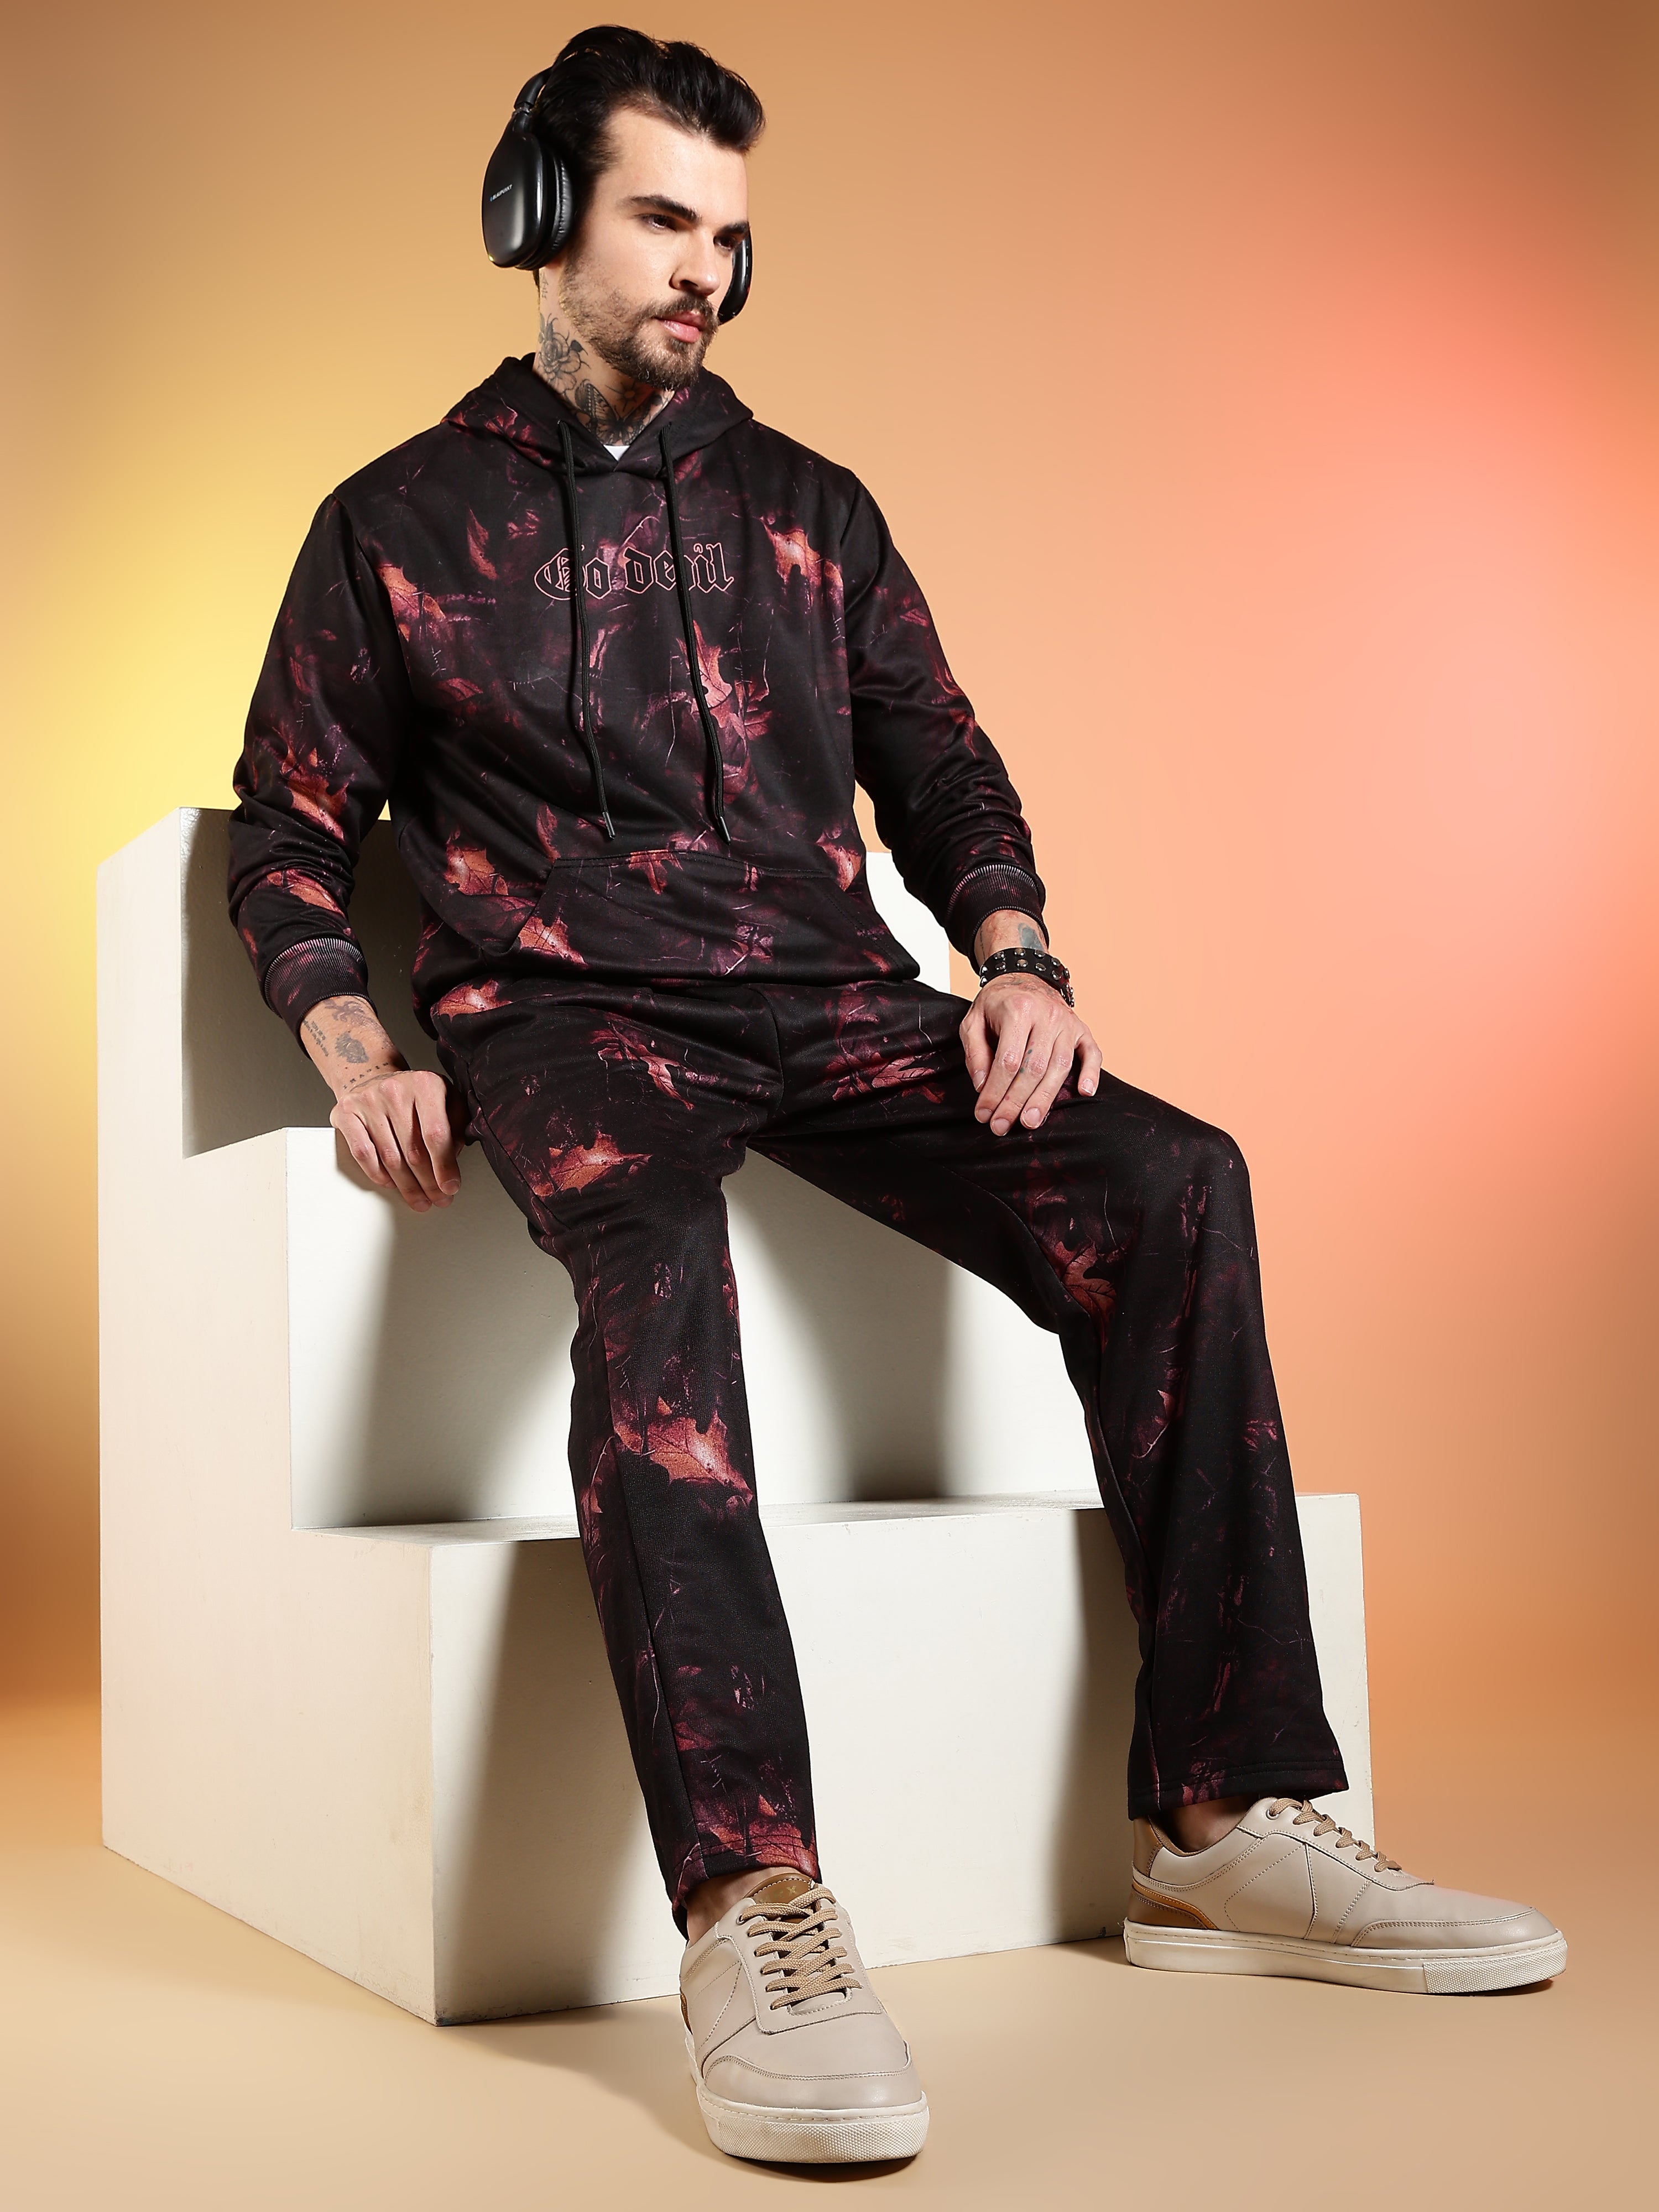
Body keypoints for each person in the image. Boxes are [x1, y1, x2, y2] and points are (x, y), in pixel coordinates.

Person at [227, 25, 1566, 2167]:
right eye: (663, 219)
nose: (706, 271)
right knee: (659, 1286)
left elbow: (939, 762)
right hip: (575, 1020)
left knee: (1176, 1179)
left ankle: (1224, 1821)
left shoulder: (811, 512)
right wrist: (353, 1038)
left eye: (730, 235)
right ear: (539, 220)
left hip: (839, 1004)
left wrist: (1014, 956)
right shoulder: (397, 524)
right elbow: (289, 832)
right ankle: (753, 1905)